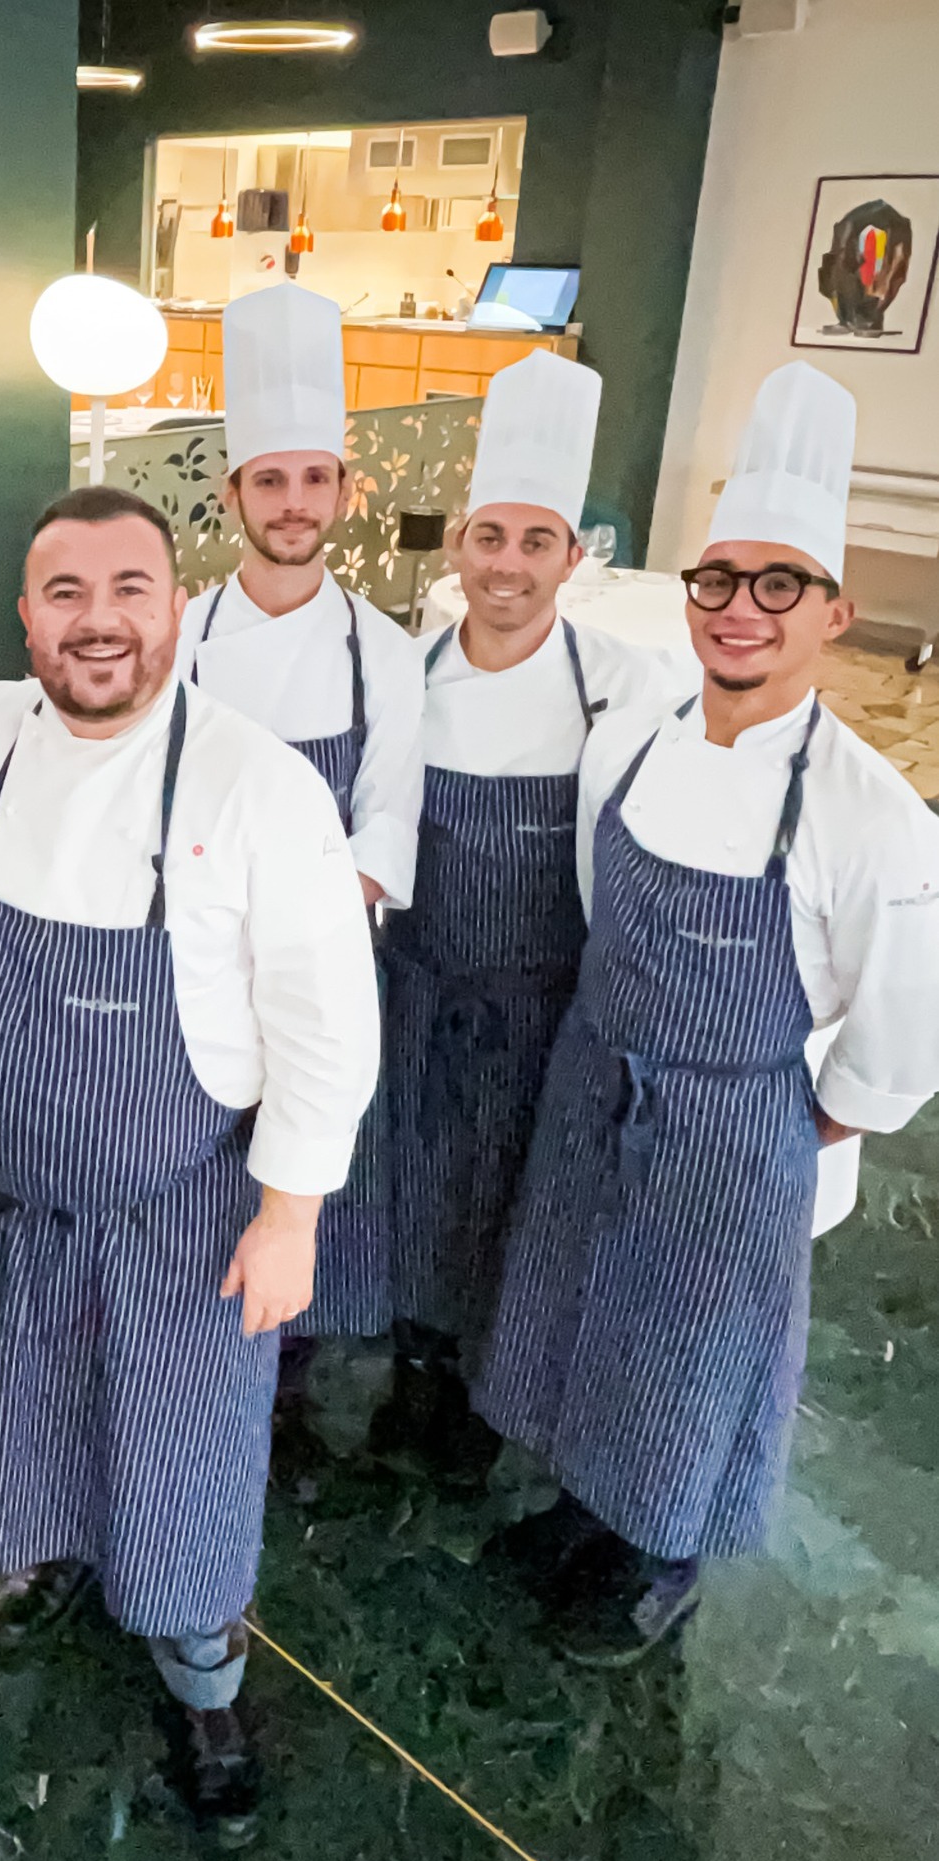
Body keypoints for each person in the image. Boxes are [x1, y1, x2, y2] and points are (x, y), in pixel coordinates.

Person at [0, 486, 380, 1836]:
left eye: (130, 587)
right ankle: (59, 1557)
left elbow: (325, 1017)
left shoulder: (257, 782)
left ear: (177, 607)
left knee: (187, 1464)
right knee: (28, 1408)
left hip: (186, 1210)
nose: (98, 621)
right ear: (25, 616)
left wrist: (291, 1213)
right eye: (65, 592)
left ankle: (203, 1681)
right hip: (8, 1202)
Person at [475, 363, 939, 1662]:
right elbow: (596, 889)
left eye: (778, 585)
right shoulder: (634, 736)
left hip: (735, 1122)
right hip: (596, 1075)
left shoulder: (872, 815)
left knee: (688, 1346)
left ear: (833, 611)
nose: (740, 610)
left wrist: (795, 1117)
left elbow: (903, 1031)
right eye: (718, 580)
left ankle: (661, 1556)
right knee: (579, 1303)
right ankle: (585, 1509)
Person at [374, 351, 689, 1482]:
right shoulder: (401, 674)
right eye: (491, 537)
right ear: (459, 545)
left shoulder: (622, 685)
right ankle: (415, 1369)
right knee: (413, 1188)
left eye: (536, 541)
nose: (508, 565)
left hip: (543, 1003)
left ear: (573, 557)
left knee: (517, 1199)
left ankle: (486, 1396)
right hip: (417, 989)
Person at [174, 283, 423, 1351]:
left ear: (344, 492)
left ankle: (308, 1379)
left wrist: (288, 929)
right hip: (190, 962)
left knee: (316, 1180)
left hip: (328, 969)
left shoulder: (386, 654)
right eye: (270, 480)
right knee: (206, 1189)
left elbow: (386, 827)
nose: (293, 502)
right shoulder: (180, 639)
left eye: (314, 478)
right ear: (232, 492)